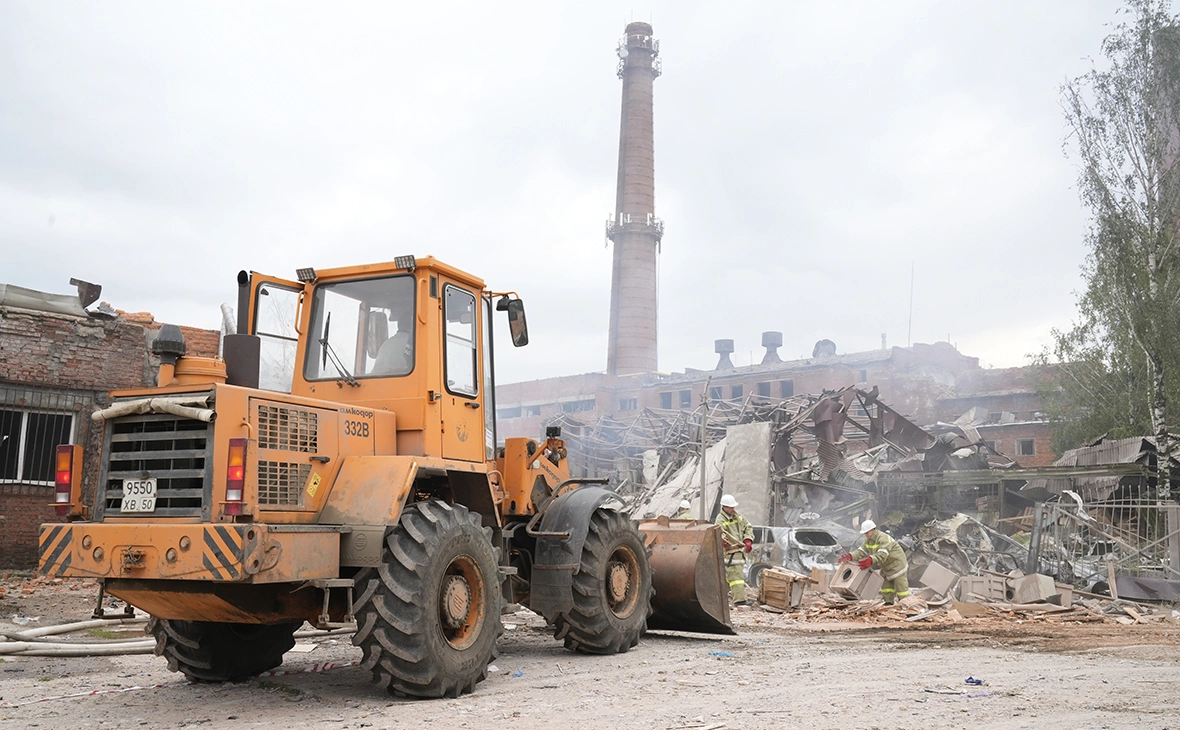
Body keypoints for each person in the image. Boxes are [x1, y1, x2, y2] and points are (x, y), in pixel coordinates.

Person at [839, 519, 909, 605]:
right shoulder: (868, 540)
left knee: (901, 588)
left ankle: (907, 605)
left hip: (897, 565)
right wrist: (850, 556)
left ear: (873, 530)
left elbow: (883, 554)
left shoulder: (883, 538)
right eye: (865, 533)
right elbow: (861, 552)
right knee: (886, 587)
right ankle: (888, 603)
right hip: (886, 566)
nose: (866, 535)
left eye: (867, 532)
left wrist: (870, 560)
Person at [715, 494, 754, 606]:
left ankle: (719, 599)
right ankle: (740, 600)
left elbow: (748, 527)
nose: (733, 509)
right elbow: (719, 533)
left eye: (733, 507)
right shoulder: (720, 519)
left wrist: (748, 539)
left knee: (729, 578)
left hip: (739, 553)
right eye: (731, 507)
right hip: (730, 554)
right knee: (737, 577)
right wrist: (723, 541)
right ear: (724, 507)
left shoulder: (738, 516)